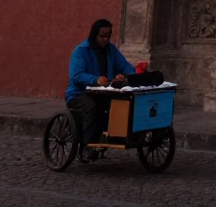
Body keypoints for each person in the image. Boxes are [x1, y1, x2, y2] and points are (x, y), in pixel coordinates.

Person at [64, 19, 164, 158]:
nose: (106, 39)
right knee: (93, 106)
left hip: (103, 92)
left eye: (108, 36)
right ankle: (87, 146)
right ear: (94, 35)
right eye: (102, 36)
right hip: (78, 93)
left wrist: (135, 75)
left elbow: (124, 66)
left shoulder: (110, 50)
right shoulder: (80, 51)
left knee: (124, 103)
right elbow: (76, 75)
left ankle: (122, 135)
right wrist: (95, 79)